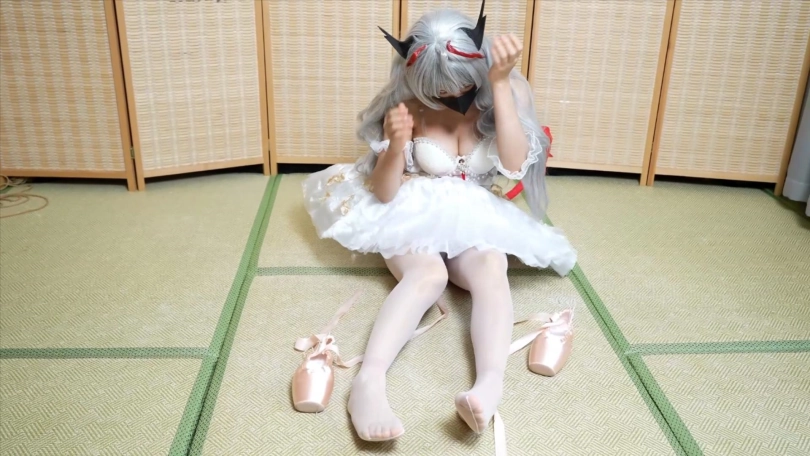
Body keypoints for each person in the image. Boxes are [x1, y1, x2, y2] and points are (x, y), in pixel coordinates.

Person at [301, 2, 577, 442]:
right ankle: (368, 383)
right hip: (410, 207)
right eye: (439, 90)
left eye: (462, 85)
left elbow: (512, 165)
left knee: (492, 267)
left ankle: (489, 384)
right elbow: (385, 191)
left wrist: (498, 82)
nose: (452, 96)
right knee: (428, 275)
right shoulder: (409, 104)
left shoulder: (503, 89)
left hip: (475, 213)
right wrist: (396, 146)